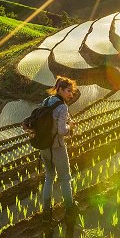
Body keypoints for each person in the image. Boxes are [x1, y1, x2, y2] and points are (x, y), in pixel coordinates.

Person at [41, 76, 79, 222]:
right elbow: (62, 131)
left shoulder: (46, 101)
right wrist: (71, 127)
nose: (71, 94)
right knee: (65, 178)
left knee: (49, 177)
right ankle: (70, 208)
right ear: (60, 90)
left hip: (44, 147)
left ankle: (46, 211)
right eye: (68, 91)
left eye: (72, 91)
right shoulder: (62, 107)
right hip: (57, 148)